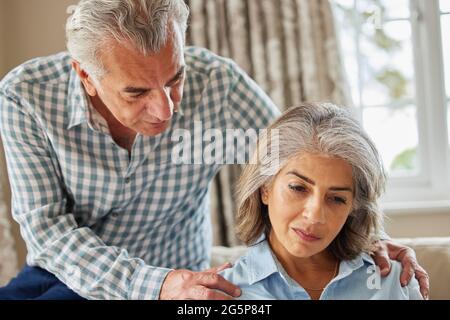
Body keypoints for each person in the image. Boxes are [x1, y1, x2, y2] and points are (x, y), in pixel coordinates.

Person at [0, 0, 428, 300]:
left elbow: (303, 161)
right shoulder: (27, 96)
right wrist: (157, 287)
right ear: (85, 76)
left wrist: (370, 237)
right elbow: (48, 230)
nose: (165, 109)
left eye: (174, 79)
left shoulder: (217, 84)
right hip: (70, 281)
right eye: (136, 92)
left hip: (190, 284)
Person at [220, 103, 423, 300]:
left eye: (336, 199)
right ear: (265, 188)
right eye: (298, 188)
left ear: (353, 207)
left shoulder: (395, 281)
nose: (315, 215)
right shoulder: (221, 293)